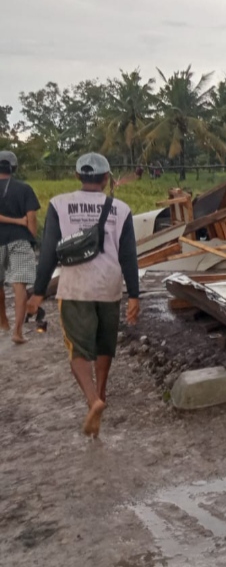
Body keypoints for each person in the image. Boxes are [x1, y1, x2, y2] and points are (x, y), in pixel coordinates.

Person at [27, 153, 140, 438]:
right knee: (104, 345)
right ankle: (102, 392)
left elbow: (49, 253)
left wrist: (38, 292)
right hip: (109, 286)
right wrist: (135, 295)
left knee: (78, 350)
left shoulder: (59, 204)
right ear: (106, 179)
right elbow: (129, 256)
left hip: (75, 287)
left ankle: (94, 400)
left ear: (78, 176)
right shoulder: (121, 209)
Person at [0, 150, 40, 344]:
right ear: (13, 167)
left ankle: (3, 320)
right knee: (19, 285)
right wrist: (31, 236)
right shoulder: (24, 189)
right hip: (19, 240)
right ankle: (17, 331)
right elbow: (31, 218)